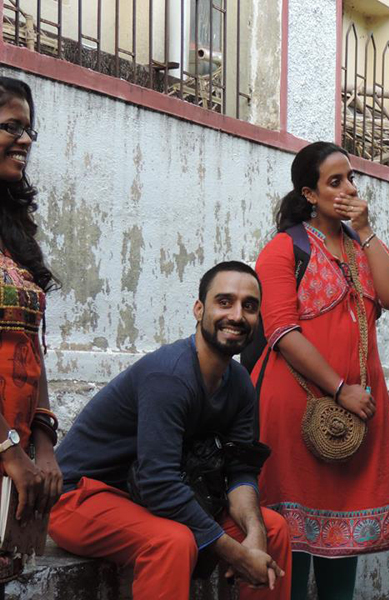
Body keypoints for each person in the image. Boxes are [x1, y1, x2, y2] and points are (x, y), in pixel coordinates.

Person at [49, 262, 290, 600]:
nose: (237, 315)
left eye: (249, 306)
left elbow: (241, 471)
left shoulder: (240, 385)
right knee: (172, 541)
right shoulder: (169, 376)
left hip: (152, 499)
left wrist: (254, 534)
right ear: (199, 309)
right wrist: (236, 553)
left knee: (273, 528)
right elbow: (158, 482)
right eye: (225, 302)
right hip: (83, 497)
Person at [253, 141, 389, 600]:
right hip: (297, 407)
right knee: (292, 533)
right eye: (335, 181)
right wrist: (340, 388)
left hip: (358, 411)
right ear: (309, 193)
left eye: (351, 178)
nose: (348, 188)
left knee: (345, 537)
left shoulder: (360, 247)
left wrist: (365, 230)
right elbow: (281, 331)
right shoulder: (284, 249)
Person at [0, 76, 61, 591]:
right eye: (11, 127)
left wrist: (43, 442)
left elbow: (31, 346)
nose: (24, 140)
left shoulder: (14, 233)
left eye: (28, 130)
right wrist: (8, 448)